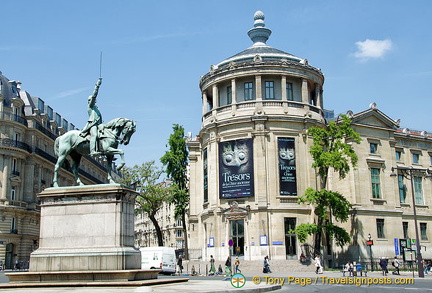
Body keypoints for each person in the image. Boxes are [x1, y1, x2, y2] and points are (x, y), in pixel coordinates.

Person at [80, 78, 103, 156]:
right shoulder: (90, 106)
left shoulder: (97, 108)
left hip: (99, 124)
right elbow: (94, 95)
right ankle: (92, 151)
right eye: (91, 99)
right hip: (93, 124)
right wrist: (97, 85)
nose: (92, 100)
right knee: (95, 135)